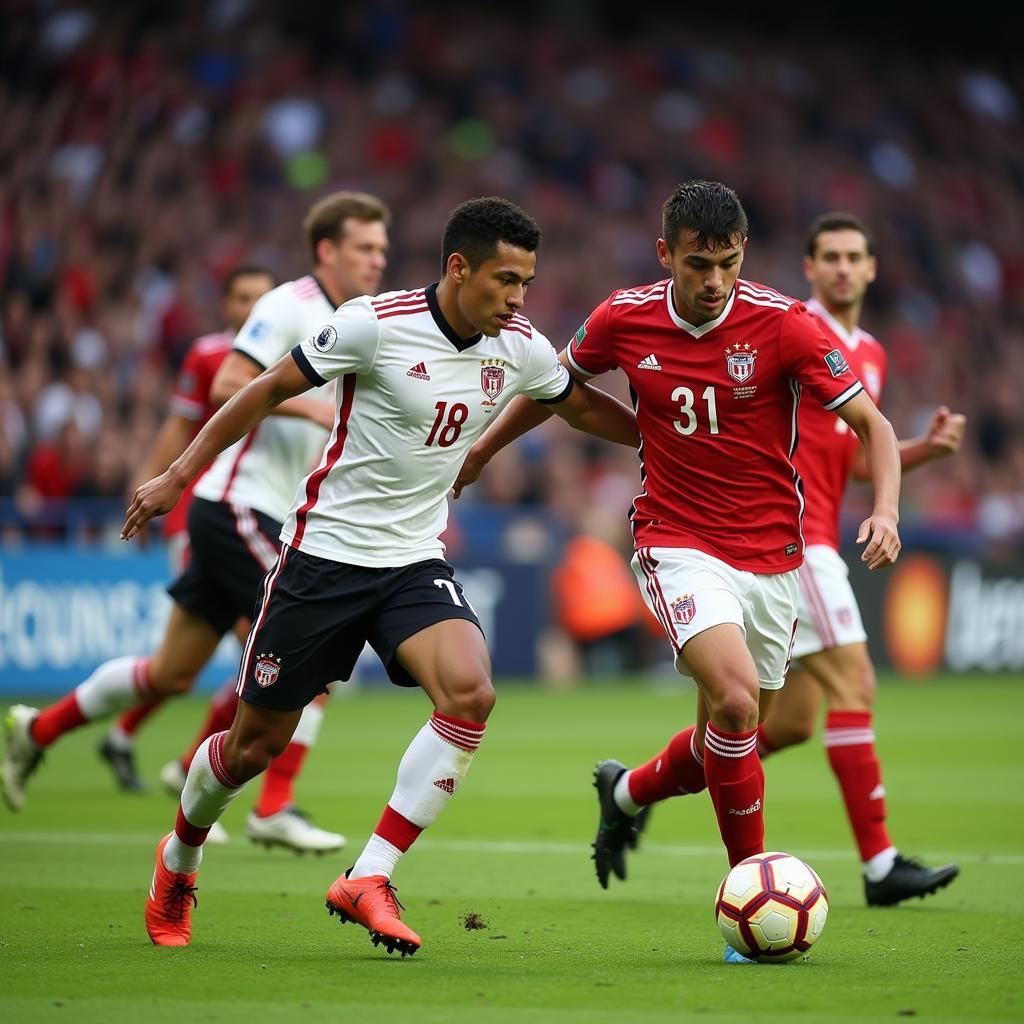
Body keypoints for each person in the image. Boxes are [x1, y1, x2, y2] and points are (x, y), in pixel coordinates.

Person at [119, 197, 640, 955]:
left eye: (526, 280)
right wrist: (175, 474)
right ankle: (179, 859)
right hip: (323, 559)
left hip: (412, 561)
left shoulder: (520, 344)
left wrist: (667, 434)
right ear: (458, 268)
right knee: (250, 748)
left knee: (471, 692)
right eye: (505, 279)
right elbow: (264, 390)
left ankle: (369, 875)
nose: (519, 296)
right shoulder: (374, 323)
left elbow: (579, 406)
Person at [454, 181, 902, 963]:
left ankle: (625, 791)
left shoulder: (785, 324)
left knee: (731, 736)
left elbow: (873, 423)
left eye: (728, 263)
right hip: (677, 540)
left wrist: (888, 509)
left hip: (773, 558)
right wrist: (485, 448)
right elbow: (553, 385)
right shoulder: (624, 316)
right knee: (734, 704)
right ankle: (748, 896)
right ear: (666, 254)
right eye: (699, 264)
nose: (715, 281)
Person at [3, 192, 391, 860]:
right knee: (316, 644)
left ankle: (39, 731)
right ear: (327, 250)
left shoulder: (356, 319)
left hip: (255, 508)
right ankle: (274, 806)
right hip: (241, 502)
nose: (377, 260)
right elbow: (227, 385)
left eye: (382, 249)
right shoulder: (287, 306)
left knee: (171, 673)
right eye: (364, 248)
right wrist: (315, 413)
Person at [755, 213, 964, 905]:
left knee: (780, 724)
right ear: (810, 268)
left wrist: (923, 451)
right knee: (858, 687)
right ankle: (880, 867)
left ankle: (632, 789)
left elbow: (854, 460)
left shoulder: (868, 351)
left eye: (855, 257)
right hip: (794, 540)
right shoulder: (793, 330)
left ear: (872, 269)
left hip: (813, 531)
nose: (844, 268)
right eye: (831, 257)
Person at [97, 263, 275, 800]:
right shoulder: (208, 355)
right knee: (262, 649)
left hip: (256, 514)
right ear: (227, 304)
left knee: (198, 663)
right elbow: (178, 426)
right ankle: (198, 772)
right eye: (242, 297)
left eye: (261, 299)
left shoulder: (297, 351)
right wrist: (148, 486)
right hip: (202, 515)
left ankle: (126, 735)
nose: (251, 307)